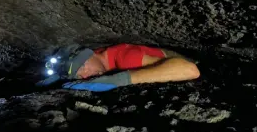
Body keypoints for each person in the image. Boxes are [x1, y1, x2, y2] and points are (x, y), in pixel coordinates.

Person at [36, 42, 200, 92]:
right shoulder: (100, 55)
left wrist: (120, 80)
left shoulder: (125, 58)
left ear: (90, 54)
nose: (86, 75)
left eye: (83, 67)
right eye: (80, 76)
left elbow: (190, 70)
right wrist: (59, 76)